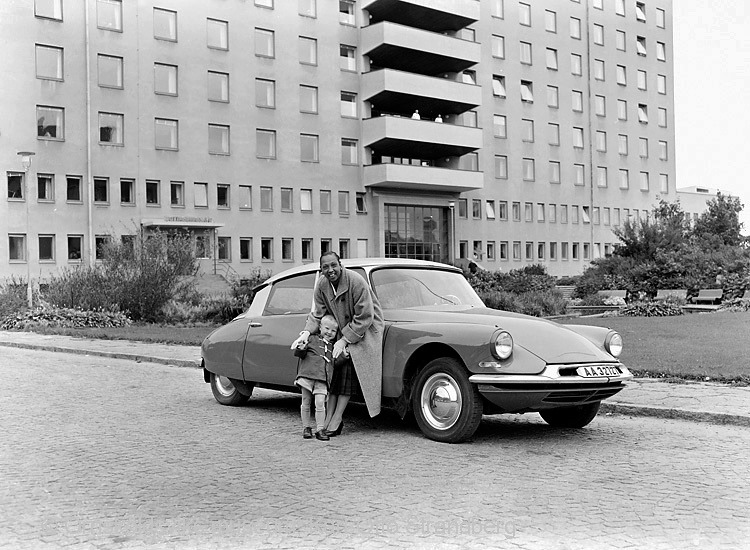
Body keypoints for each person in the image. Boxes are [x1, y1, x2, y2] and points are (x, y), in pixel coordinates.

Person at [291, 252, 384, 437]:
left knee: (348, 362)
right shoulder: (322, 284)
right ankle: (327, 418)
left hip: (365, 329)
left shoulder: (356, 281)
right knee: (332, 366)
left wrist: (343, 340)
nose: (330, 270)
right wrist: (306, 333)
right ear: (321, 269)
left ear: (340, 265)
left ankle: (337, 417)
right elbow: (318, 314)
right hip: (340, 328)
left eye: (333, 265)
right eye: (325, 267)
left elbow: (365, 316)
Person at [293, 314, 344, 441]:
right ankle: (306, 427)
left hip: (323, 379)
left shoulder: (334, 346)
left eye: (333, 330)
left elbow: (335, 363)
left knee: (320, 403)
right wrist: (301, 347)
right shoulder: (311, 339)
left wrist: (344, 356)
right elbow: (299, 354)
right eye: (327, 328)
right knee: (306, 401)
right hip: (307, 376)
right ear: (320, 327)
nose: (329, 332)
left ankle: (320, 429)